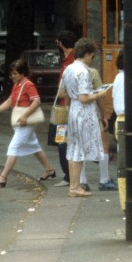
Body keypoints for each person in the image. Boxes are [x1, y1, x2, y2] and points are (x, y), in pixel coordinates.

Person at [0, 58, 56, 186]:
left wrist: (25, 115)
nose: (12, 76)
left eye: (15, 73)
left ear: (23, 73)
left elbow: (37, 101)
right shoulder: (17, 84)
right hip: (22, 121)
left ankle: (3, 177)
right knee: (34, 146)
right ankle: (49, 170)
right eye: (11, 73)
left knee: (14, 147)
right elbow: (9, 101)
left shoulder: (28, 84)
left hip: (26, 121)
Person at [62, 38, 107, 198]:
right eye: (92, 56)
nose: (91, 59)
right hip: (83, 112)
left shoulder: (68, 69)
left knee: (73, 149)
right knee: (79, 150)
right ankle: (75, 187)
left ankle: (74, 185)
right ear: (87, 54)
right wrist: (100, 93)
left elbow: (63, 92)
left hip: (73, 110)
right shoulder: (83, 71)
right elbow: (84, 97)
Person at [51, 30, 76, 187]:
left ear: (60, 43)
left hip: (66, 108)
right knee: (64, 142)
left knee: (63, 143)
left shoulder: (70, 61)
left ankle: (69, 176)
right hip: (64, 108)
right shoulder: (67, 59)